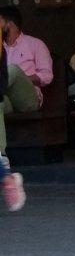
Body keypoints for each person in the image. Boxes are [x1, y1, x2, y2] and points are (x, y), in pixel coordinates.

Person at [0, 5, 53, 105]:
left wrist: (21, 80)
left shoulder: (36, 44)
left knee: (12, 70)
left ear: (9, 24)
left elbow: (47, 76)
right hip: (6, 96)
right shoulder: (0, 47)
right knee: (1, 104)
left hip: (29, 97)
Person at [1, 46, 29, 211]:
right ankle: (5, 175)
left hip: (22, 93)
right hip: (4, 96)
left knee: (13, 70)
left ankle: (6, 177)